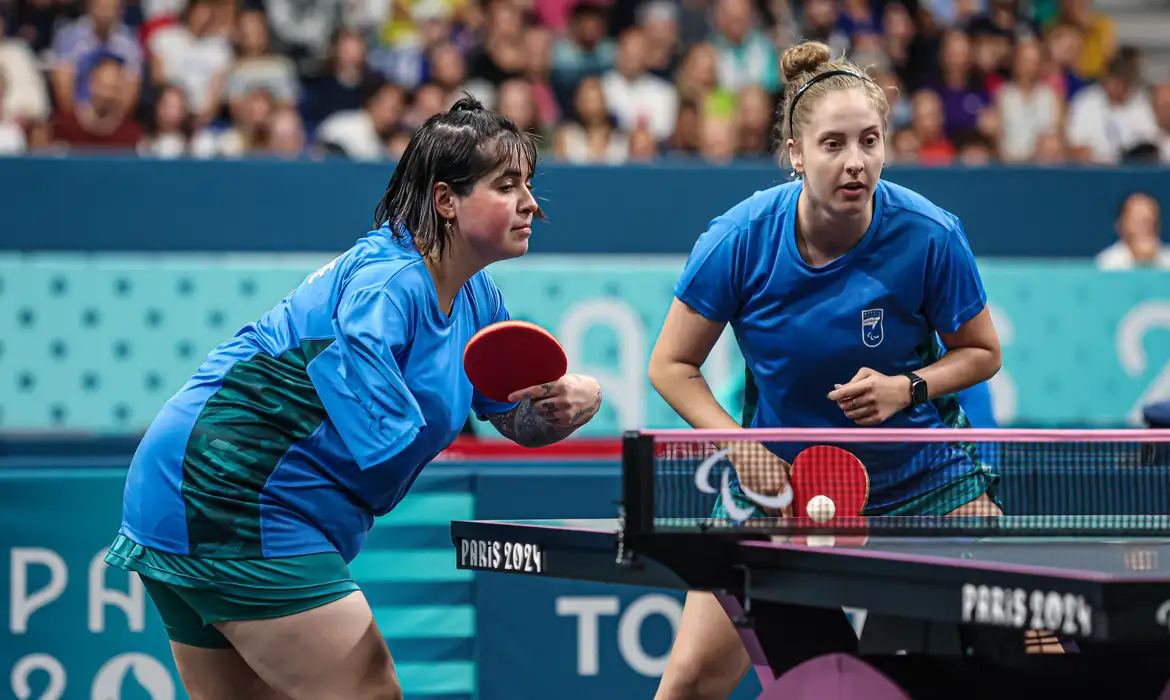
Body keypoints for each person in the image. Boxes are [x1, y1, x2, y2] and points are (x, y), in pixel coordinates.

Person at [102, 95, 604, 700]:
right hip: (230, 491)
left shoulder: (478, 300)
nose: (530, 203)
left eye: (527, 184)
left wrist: (575, 397)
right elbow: (382, 440)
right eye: (506, 186)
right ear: (446, 199)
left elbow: (516, 420)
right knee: (370, 692)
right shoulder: (386, 287)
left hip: (193, 491)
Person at [647, 41, 1058, 700]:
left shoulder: (929, 235)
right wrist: (739, 442)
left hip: (923, 482)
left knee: (1036, 646)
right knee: (691, 680)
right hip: (780, 487)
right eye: (833, 144)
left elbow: (982, 352)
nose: (855, 161)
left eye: (869, 141)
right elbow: (670, 364)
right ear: (796, 154)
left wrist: (908, 387)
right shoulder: (739, 239)